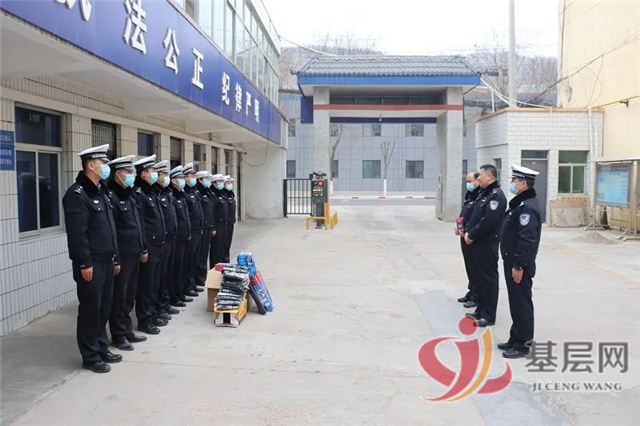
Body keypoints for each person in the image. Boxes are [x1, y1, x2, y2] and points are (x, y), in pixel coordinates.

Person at [62, 144, 122, 373]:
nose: (106, 167)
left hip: (106, 260)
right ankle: (90, 355)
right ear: (91, 165)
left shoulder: (101, 191)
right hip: (91, 263)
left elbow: (110, 229)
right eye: (103, 163)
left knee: (104, 307)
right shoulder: (77, 194)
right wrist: (84, 263)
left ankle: (101, 347)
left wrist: (115, 257)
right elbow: (78, 235)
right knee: (91, 309)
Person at [499, 165, 542, 359]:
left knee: (521, 304)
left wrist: (518, 265)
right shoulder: (519, 204)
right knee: (515, 302)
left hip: (519, 265)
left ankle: (523, 345)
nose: (511, 183)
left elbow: (527, 240)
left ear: (523, 184)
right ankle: (515, 337)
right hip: (512, 261)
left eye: (514, 181)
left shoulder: (527, 208)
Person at [106, 155, 148, 351]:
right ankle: (118, 334)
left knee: (129, 295)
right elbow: (113, 230)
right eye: (128, 172)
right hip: (122, 255)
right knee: (119, 297)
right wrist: (115, 258)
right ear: (118, 174)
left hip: (134, 253)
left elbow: (138, 225)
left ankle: (127, 329)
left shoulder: (129, 195)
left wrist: (142, 247)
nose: (132, 175)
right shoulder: (112, 197)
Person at [463, 164, 507, 327]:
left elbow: (488, 221)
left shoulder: (496, 196)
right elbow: (475, 215)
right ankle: (480, 310)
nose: (479, 178)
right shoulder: (484, 193)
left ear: (490, 177)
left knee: (488, 280)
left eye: (481, 175)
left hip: (487, 244)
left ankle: (488, 315)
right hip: (478, 243)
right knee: (480, 279)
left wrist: (472, 234)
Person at [133, 155, 167, 334]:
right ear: (143, 174)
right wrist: (144, 247)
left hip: (158, 243)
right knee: (146, 284)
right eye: (152, 171)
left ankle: (153, 313)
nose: (155, 174)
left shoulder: (151, 192)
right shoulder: (139, 194)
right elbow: (141, 224)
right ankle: (144, 319)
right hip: (149, 245)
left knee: (154, 282)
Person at [153, 160, 180, 321]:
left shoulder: (165, 193)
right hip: (156, 243)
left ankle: (164, 304)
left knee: (166, 275)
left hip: (169, 239)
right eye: (163, 174)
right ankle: (154, 310)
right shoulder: (149, 194)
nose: (165, 177)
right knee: (155, 279)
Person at [168, 166, 192, 307]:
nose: (183, 181)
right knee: (175, 269)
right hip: (176, 238)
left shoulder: (180, 195)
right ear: (173, 181)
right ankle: (174, 296)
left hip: (184, 236)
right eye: (180, 178)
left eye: (183, 178)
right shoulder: (171, 195)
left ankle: (180, 293)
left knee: (182, 267)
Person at [456, 171, 481, 308]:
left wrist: (469, 232)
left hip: (471, 237)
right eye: (467, 181)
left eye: (470, 181)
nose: (468, 184)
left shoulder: (480, 196)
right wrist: (459, 228)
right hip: (463, 234)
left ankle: (476, 295)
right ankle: (471, 291)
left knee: (475, 267)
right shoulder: (470, 195)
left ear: (477, 181)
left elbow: (476, 219)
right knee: (469, 266)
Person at [182, 163, 204, 298]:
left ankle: (192, 283)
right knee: (188, 261)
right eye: (191, 176)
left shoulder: (193, 192)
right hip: (191, 232)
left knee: (194, 260)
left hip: (197, 230)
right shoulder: (184, 193)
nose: (193, 178)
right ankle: (187, 286)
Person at [194, 171, 216, 288]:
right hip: (201, 227)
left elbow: (209, 211)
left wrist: (212, 226)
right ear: (200, 180)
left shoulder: (207, 192)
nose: (208, 181)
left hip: (207, 227)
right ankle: (199, 278)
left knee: (204, 254)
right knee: (199, 255)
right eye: (205, 178)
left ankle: (203, 276)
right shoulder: (198, 193)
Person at [209, 174, 228, 266]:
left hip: (223, 224)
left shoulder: (221, 193)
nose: (221, 183)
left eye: (222, 182)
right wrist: (213, 227)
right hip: (217, 225)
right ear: (214, 183)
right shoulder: (213, 195)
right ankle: (214, 266)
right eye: (219, 182)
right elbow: (211, 212)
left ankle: (221, 265)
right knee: (216, 249)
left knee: (222, 247)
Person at [222, 175, 237, 263]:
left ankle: (227, 261)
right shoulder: (223, 194)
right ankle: (223, 262)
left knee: (227, 244)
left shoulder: (230, 194)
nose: (230, 184)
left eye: (230, 182)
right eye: (227, 182)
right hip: (224, 224)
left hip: (230, 223)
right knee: (222, 246)